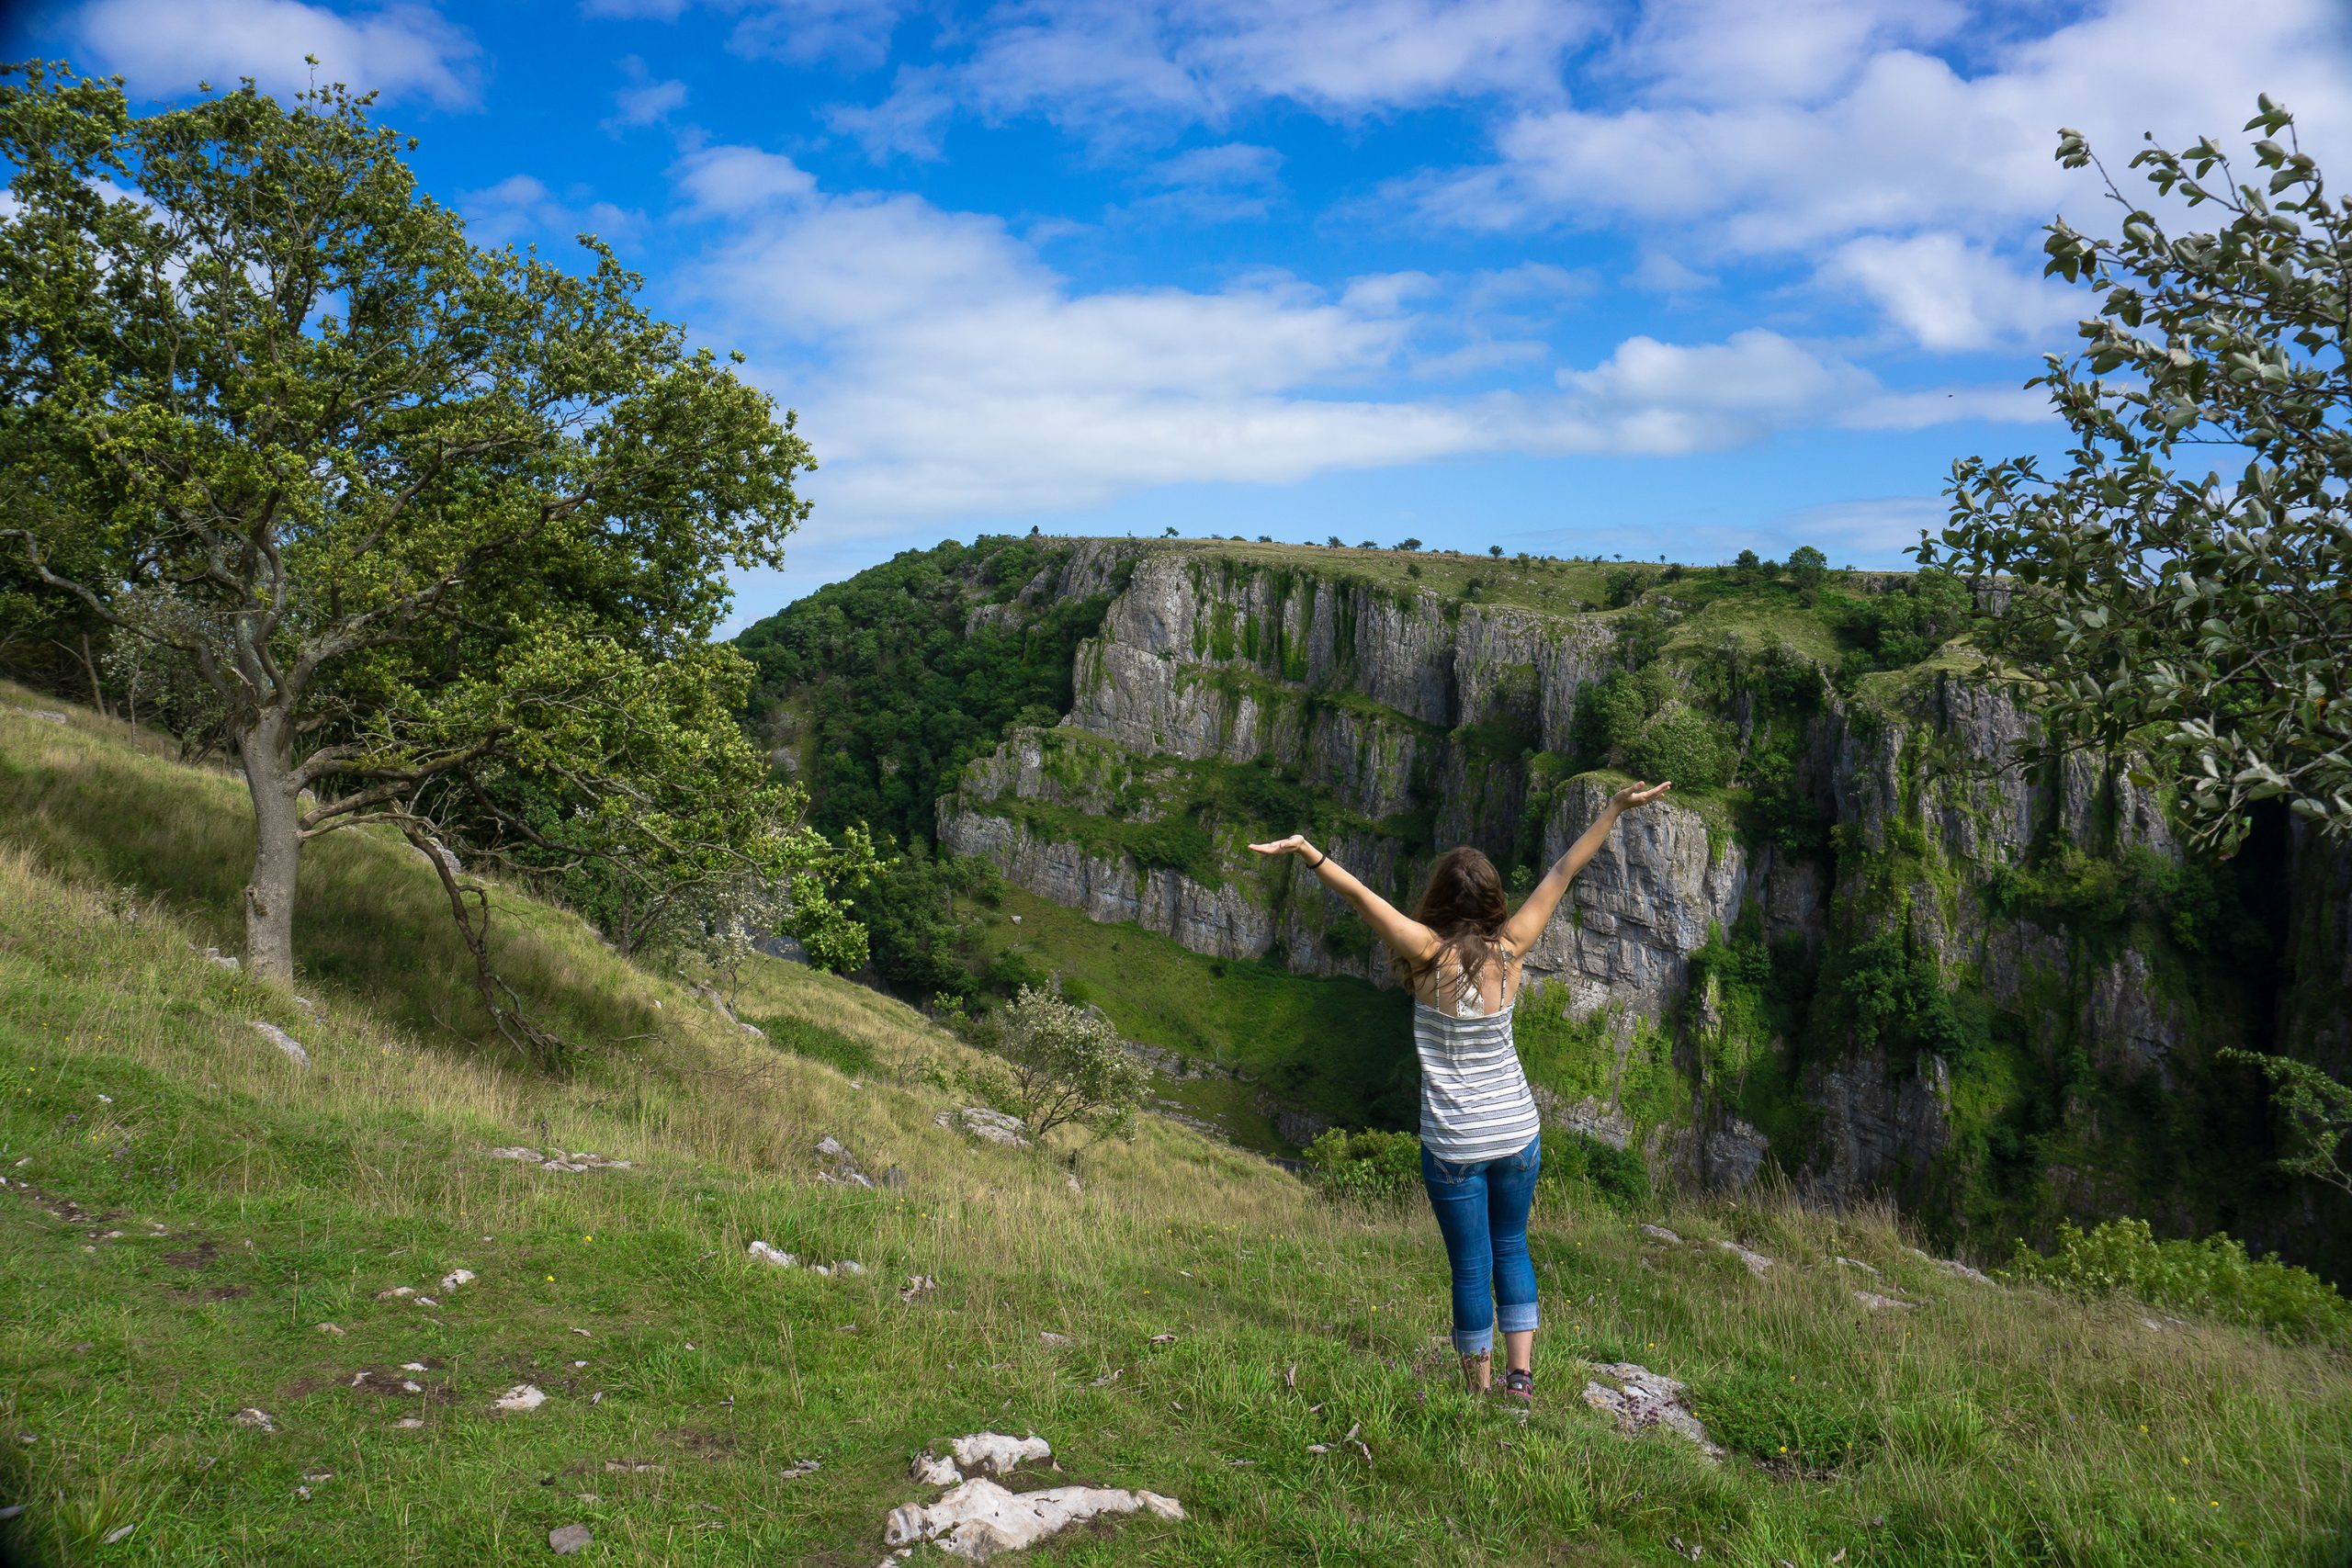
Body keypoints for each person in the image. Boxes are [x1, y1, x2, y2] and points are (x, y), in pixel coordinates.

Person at [1249, 778, 1674, 1404]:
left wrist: (1310, 851)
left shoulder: (1426, 953)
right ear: (1496, 900)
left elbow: (1364, 898)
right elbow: (1563, 869)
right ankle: (1520, 1379)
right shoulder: (1514, 947)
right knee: (1512, 1245)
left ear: (1439, 900)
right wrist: (1613, 807)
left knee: (1472, 1263)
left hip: (1455, 1140)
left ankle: (1478, 1388)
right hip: (1518, 1131)